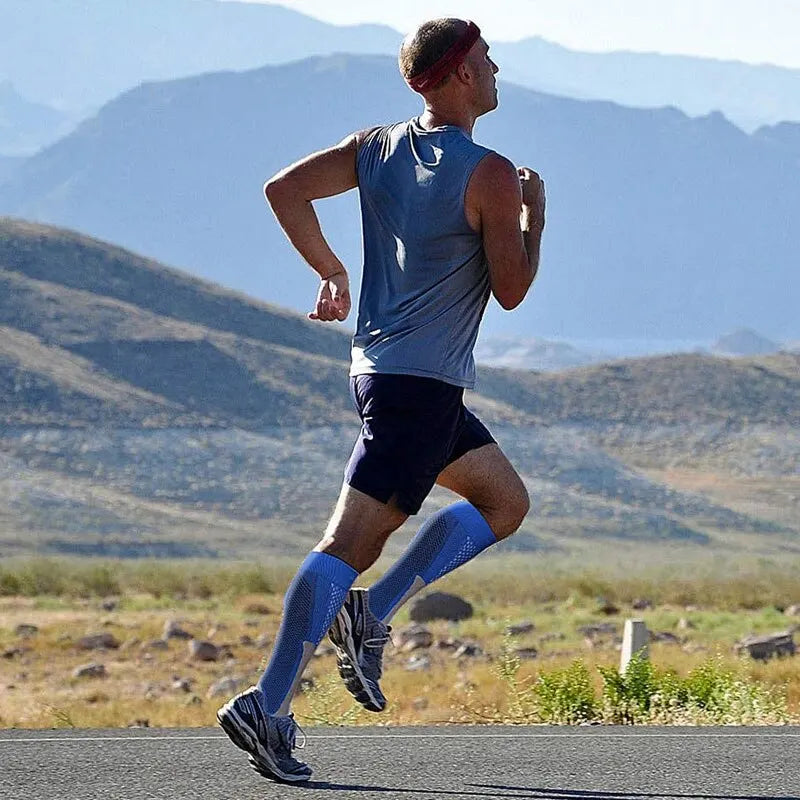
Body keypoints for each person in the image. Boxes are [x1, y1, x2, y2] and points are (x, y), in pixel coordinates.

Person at [217, 17, 546, 783]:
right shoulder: (491, 173)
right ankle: (267, 706)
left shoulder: (375, 147)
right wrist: (535, 215)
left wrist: (330, 269)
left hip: (388, 376)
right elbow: (513, 289)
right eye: (489, 62)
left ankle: (373, 611)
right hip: (418, 388)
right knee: (344, 546)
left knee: (504, 502)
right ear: (462, 73)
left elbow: (284, 188)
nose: (498, 72)